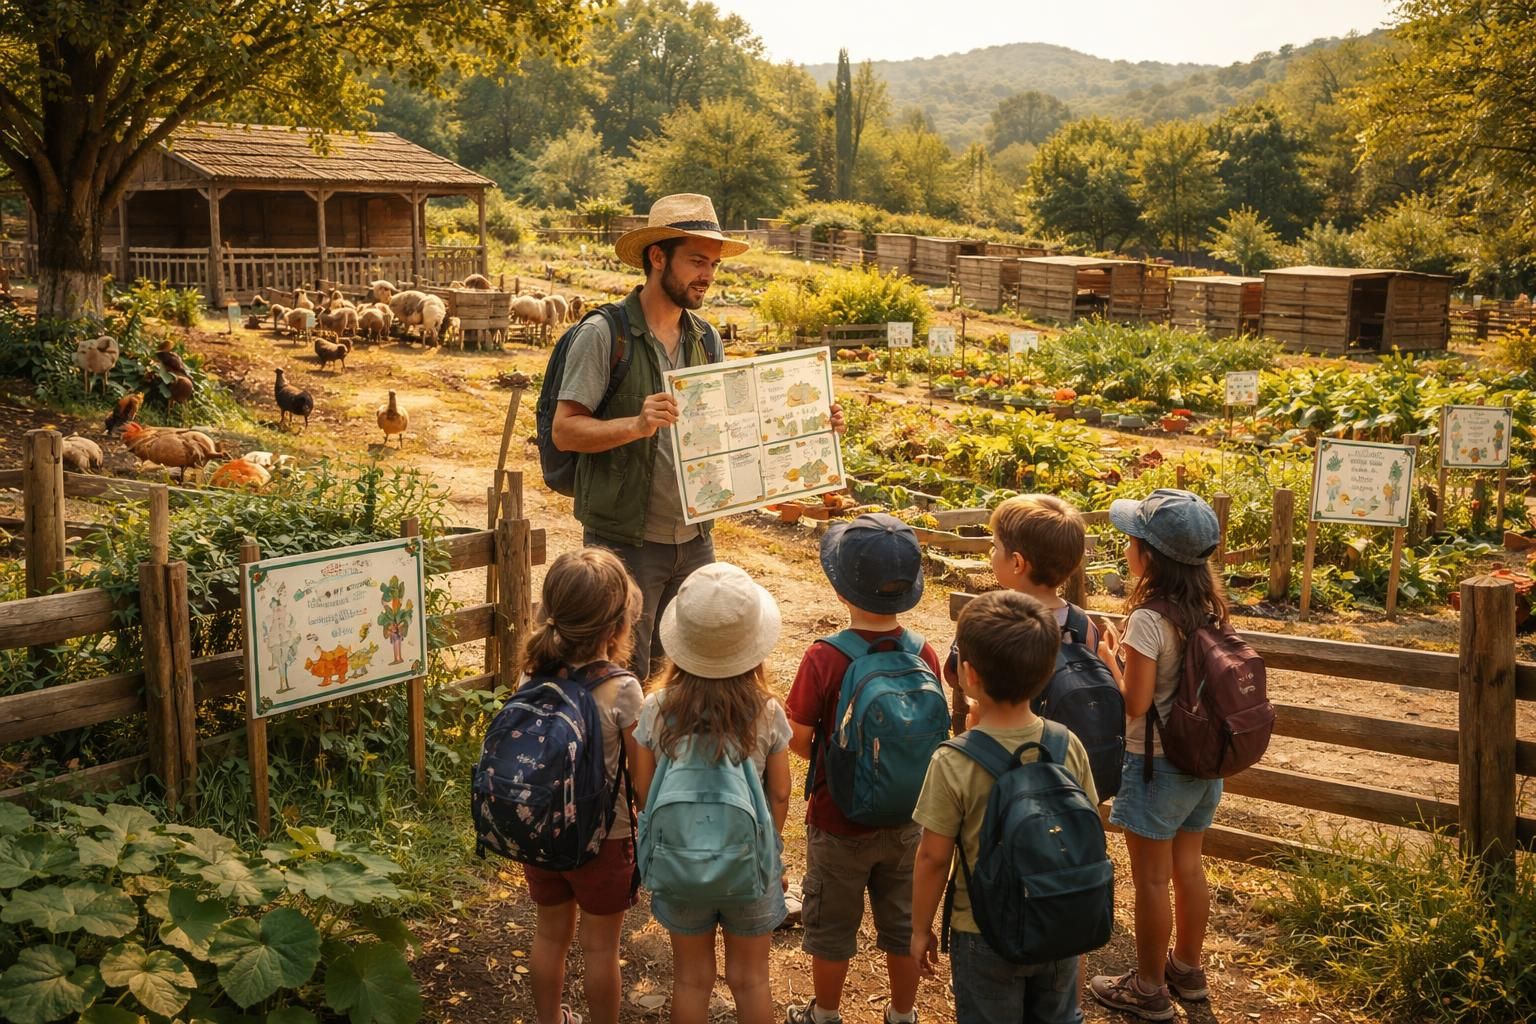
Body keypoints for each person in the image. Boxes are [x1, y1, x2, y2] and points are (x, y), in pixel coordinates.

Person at [551, 193, 843, 679]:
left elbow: (737, 430)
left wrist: (814, 426)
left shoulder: (705, 338)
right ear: (657, 257)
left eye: (712, 263)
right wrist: (636, 424)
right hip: (627, 539)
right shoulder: (605, 335)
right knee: (625, 676)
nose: (707, 274)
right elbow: (564, 431)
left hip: (695, 536)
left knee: (689, 675)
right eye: (696, 261)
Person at [910, 589, 1098, 1024]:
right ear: (1048, 670)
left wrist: (919, 930)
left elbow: (933, 858)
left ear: (968, 674)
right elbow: (1087, 826)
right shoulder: (1066, 744)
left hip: (983, 931)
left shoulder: (953, 759)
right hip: (1057, 917)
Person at [785, 514, 938, 1024]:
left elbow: (801, 739)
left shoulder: (824, 657)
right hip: (909, 820)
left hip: (838, 819)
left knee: (831, 927)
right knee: (901, 925)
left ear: (841, 588)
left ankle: (824, 1013)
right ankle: (902, 1014)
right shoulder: (924, 653)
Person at [631, 562, 792, 1024]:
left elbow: (644, 790)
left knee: (690, 980)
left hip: (680, 862)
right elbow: (779, 794)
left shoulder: (657, 707)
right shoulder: (765, 711)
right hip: (749, 863)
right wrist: (772, 851)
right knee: (751, 980)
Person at [1089, 489, 1226, 1021]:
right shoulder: (1211, 609)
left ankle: (1146, 988)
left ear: (1150, 556)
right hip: (1203, 764)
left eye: (1133, 539)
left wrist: (1109, 659)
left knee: (1150, 878)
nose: (1128, 546)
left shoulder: (1149, 619)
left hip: (1158, 765)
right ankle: (1186, 969)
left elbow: (1136, 704)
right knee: (1189, 868)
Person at [519, 549, 646, 1024]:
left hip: (541, 832)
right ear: (616, 626)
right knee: (601, 950)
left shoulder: (530, 676)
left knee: (549, 935)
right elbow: (642, 785)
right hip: (604, 839)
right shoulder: (623, 690)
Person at [942, 494, 1098, 727]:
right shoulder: (1082, 624)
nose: (990, 553)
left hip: (999, 746)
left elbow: (957, 676)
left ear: (1017, 563)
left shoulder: (991, 617)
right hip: (1059, 742)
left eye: (994, 547)